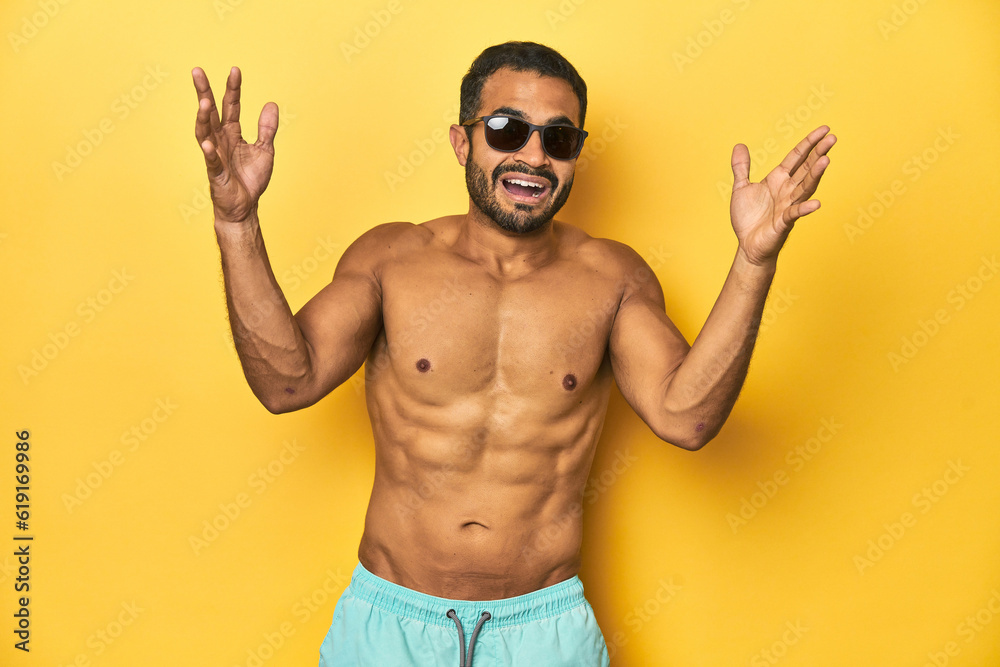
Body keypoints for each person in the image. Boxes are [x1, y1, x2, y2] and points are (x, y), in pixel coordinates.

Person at [191, 41, 835, 666]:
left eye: (559, 139)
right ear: (461, 140)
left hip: (543, 633)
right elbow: (285, 383)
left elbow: (686, 418)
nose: (533, 156)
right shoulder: (391, 259)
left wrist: (754, 261)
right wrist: (236, 224)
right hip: (392, 627)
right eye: (507, 129)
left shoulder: (611, 277)